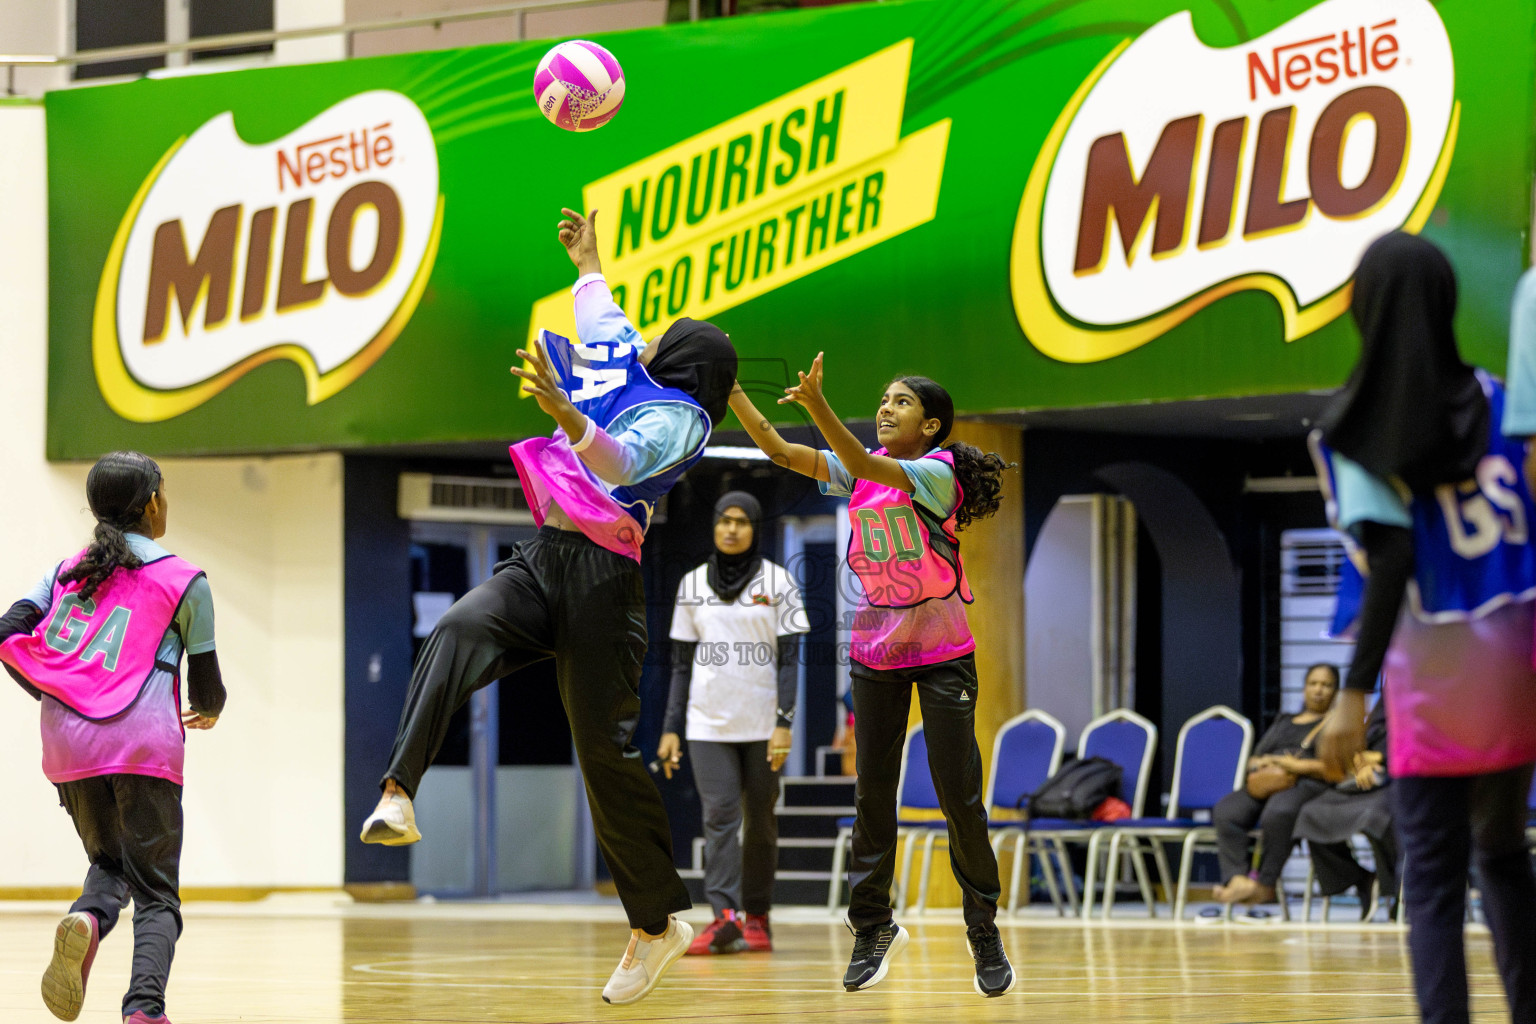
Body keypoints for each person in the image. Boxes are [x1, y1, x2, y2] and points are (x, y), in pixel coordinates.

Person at [359, 208, 738, 1006]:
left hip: (605, 581)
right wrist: (589, 263)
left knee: (603, 754)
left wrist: (567, 415)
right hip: (543, 558)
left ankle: (656, 924)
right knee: (456, 627)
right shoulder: (630, 369)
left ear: (685, 362)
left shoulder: (684, 420)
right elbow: (603, 316)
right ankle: (398, 792)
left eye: (665, 338)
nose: (648, 339)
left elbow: (623, 461)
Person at [728, 358, 1017, 997]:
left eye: (901, 402)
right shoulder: (863, 473)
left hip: (942, 654)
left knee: (958, 795)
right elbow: (780, 451)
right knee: (872, 796)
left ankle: (983, 930)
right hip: (875, 653)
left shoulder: (937, 473)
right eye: (884, 399)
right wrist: (734, 391)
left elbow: (858, 460)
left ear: (931, 425)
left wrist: (816, 405)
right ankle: (873, 928)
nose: (886, 407)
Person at [1314, 231, 1536, 1024]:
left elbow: (1394, 555)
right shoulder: (1505, 401)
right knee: (1504, 855)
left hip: (1433, 679)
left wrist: (1353, 691)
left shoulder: (1353, 429)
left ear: (1362, 307)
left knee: (1434, 883)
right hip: (1516, 667)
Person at [0, 451, 225, 1024]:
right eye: (164, 492)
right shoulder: (185, 580)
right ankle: (144, 1009)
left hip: (67, 745)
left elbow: (6, 633)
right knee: (157, 894)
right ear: (151, 503)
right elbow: (207, 689)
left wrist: (59, 695)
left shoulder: (64, 572)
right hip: (142, 745)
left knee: (110, 862)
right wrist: (209, 711)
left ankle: (88, 917)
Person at [659, 490, 808, 955]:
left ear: (755, 528)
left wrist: (784, 722)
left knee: (760, 820)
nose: (731, 528)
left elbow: (790, 661)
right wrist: (671, 727)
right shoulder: (692, 585)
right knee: (719, 817)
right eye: (724, 520)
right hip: (707, 725)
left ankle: (757, 915)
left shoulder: (779, 581)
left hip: (764, 726)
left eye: (741, 521)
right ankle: (724, 917)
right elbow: (681, 665)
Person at [1211, 663, 1339, 906]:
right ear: (1304, 688)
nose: (1318, 690)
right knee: (1227, 810)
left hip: (1307, 784)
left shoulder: (1337, 724)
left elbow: (1337, 769)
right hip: (1269, 782)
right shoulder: (1284, 721)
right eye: (1313, 683)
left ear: (1336, 691)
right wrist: (1265, 764)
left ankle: (1265, 885)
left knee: (1278, 812)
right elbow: (1254, 758)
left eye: (1326, 685)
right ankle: (1237, 879)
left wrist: (1297, 766)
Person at [1295, 698, 1399, 919]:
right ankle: (1360, 879)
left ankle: (1398, 891)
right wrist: (1360, 761)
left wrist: (1383, 757)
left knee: (1375, 818)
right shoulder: (1387, 697)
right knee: (1311, 814)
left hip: (1403, 779)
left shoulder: (1437, 698)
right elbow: (1366, 739)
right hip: (1367, 781)